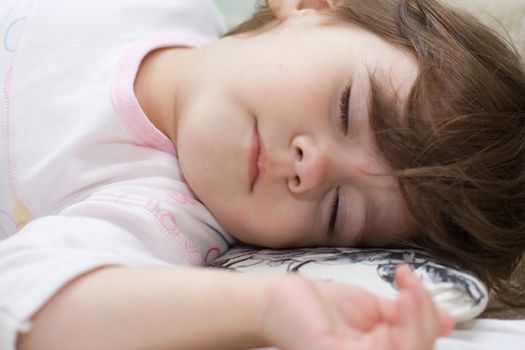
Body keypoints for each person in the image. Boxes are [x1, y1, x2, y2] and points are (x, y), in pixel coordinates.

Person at [0, 0, 522, 348]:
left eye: (338, 209)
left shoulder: (162, 219)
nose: (310, 168)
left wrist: (266, 308)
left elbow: (25, 301)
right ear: (310, 6)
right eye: (346, 109)